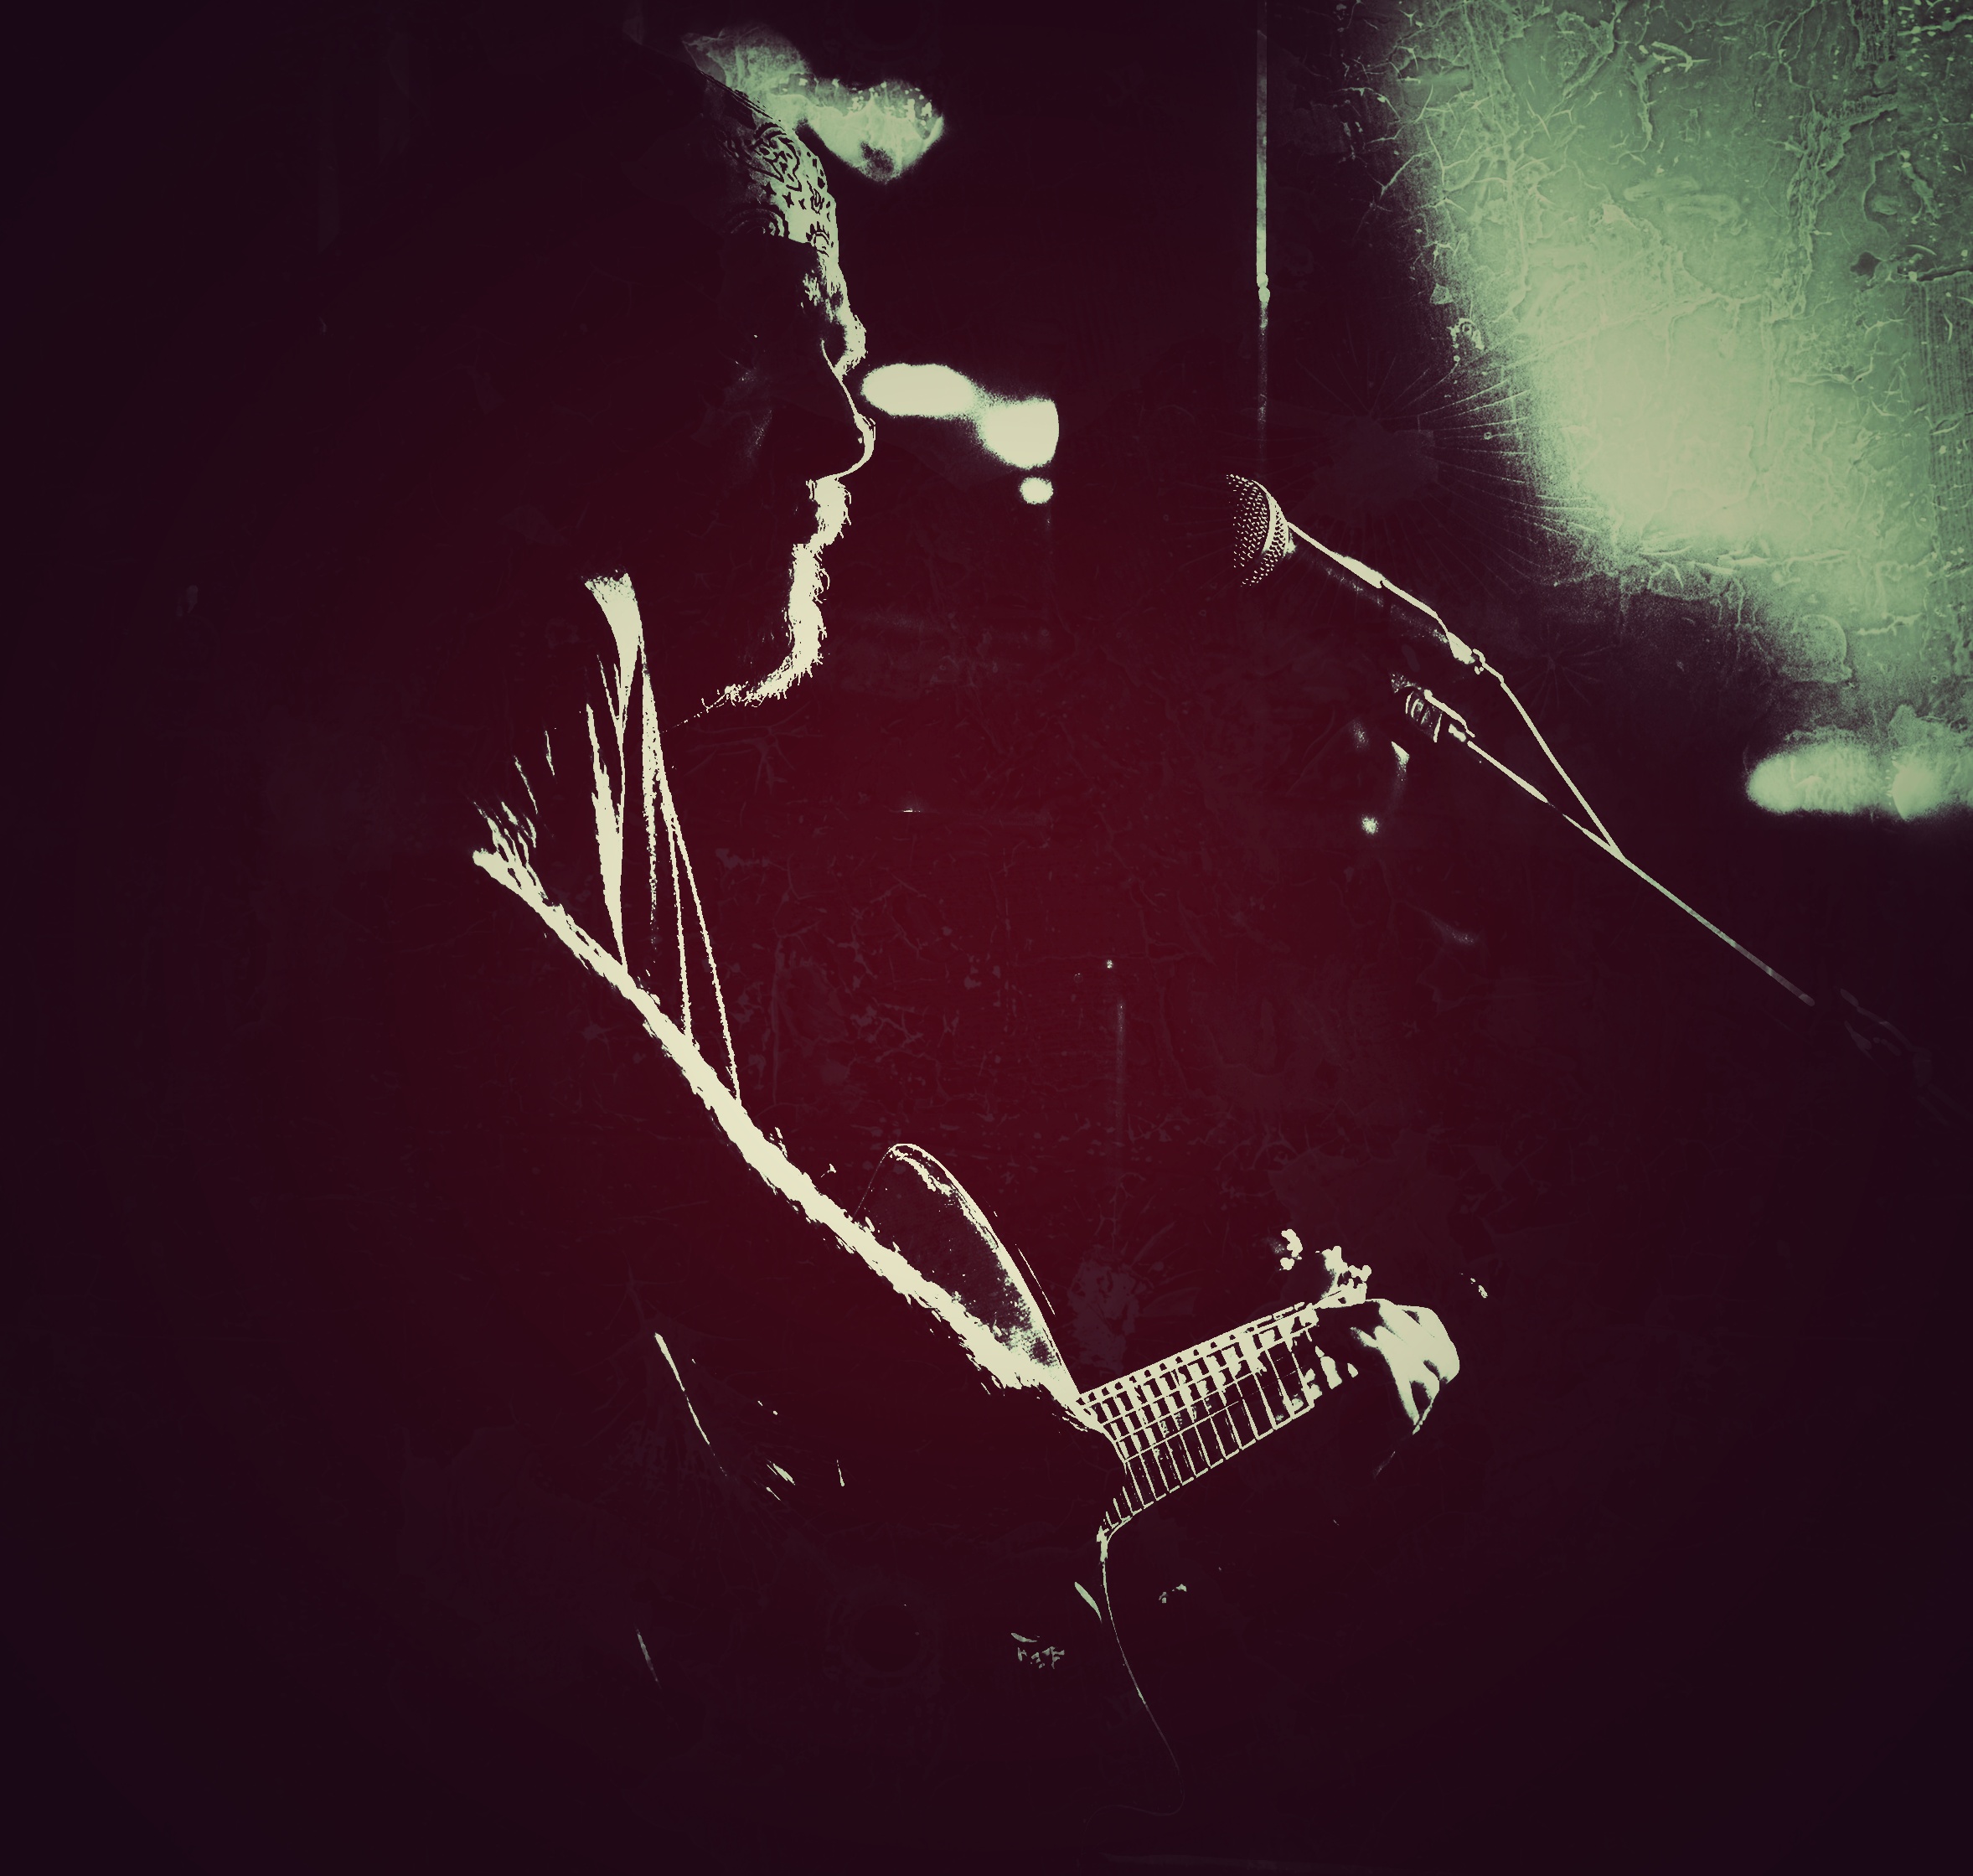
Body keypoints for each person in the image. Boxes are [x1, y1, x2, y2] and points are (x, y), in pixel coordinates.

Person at [151, 23, 1459, 1860]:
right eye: (775, 338)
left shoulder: (572, 641)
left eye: (838, 355)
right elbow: (458, 956)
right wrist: (944, 1395)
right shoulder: (482, 597)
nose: (846, 431)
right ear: (558, 348)